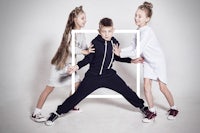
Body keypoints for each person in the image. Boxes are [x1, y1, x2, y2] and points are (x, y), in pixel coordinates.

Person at [45, 17, 149, 126]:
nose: (107, 34)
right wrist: (77, 66)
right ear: (99, 31)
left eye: (109, 31)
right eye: (104, 31)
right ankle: (57, 112)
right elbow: (88, 58)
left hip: (109, 76)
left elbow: (117, 57)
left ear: (113, 30)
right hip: (93, 77)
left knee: (126, 90)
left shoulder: (114, 42)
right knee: (77, 96)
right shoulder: (95, 43)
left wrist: (131, 61)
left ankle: (142, 107)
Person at [113, 2, 179, 123]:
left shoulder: (147, 31)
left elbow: (136, 51)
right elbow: (132, 47)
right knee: (146, 87)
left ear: (147, 19)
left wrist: (120, 54)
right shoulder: (137, 31)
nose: (136, 18)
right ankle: (152, 111)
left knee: (162, 87)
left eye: (140, 16)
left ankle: (174, 108)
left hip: (158, 62)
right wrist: (120, 51)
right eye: (136, 15)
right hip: (147, 61)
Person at [31, 6, 95, 123]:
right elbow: (70, 47)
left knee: (78, 85)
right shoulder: (70, 33)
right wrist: (83, 51)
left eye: (85, 18)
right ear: (75, 19)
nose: (85, 20)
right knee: (49, 89)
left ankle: (70, 105)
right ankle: (36, 113)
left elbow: (85, 48)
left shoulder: (81, 34)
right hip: (59, 66)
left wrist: (91, 51)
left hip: (69, 67)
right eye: (82, 18)